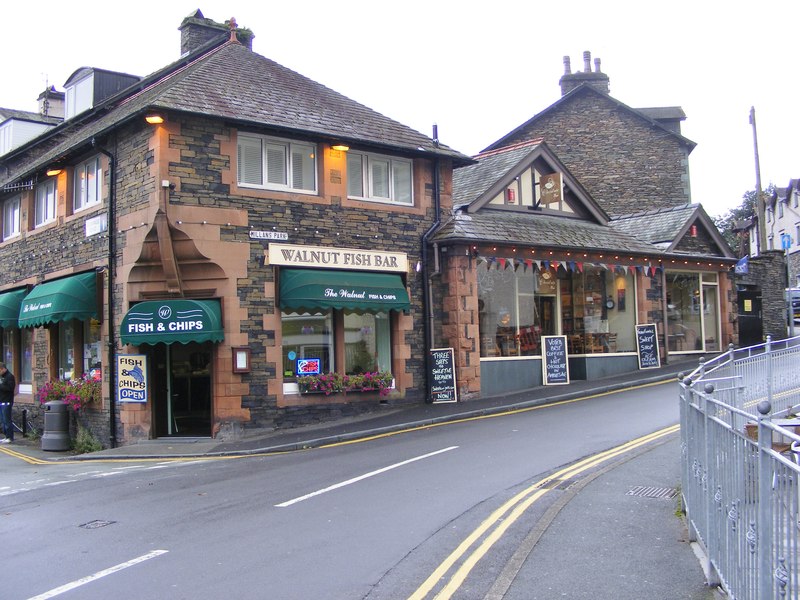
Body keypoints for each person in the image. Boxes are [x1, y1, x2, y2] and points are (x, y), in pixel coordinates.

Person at [0, 362, 16, 444]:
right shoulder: (2, 377)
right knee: (2, 420)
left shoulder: (10, 376)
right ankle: (6, 436)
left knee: (7, 420)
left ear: (2, 369)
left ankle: (10, 437)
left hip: (7, 401)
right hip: (1, 401)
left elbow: (10, 388)